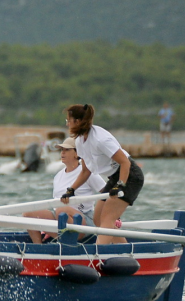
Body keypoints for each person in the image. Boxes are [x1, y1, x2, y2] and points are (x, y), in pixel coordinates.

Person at [61, 104, 144, 244]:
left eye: (68, 120)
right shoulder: (80, 141)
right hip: (115, 178)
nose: (67, 124)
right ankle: (124, 253)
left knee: (107, 219)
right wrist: (71, 190)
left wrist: (120, 185)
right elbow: (86, 171)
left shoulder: (101, 139)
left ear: (78, 121)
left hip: (129, 176)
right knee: (98, 219)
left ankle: (96, 256)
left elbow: (125, 163)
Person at [22, 136, 104, 243]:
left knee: (62, 210)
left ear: (77, 154)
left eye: (67, 150)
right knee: (28, 213)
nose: (62, 153)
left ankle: (65, 241)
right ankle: (39, 248)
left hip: (85, 221)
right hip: (60, 218)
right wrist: (48, 227)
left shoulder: (87, 173)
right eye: (61, 150)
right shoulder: (58, 176)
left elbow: (107, 193)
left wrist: (112, 217)